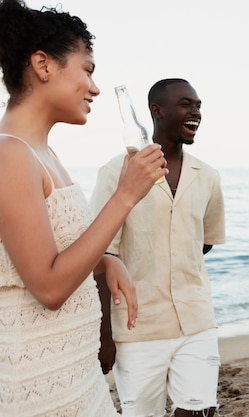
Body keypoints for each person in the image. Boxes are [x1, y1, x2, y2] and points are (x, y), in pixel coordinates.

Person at [0, 0, 167, 416]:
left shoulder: (43, 153)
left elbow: (49, 254)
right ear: (43, 65)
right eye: (87, 69)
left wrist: (106, 262)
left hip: (78, 374)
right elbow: (49, 287)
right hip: (39, 383)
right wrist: (125, 195)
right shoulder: (9, 155)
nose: (94, 87)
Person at [91, 78, 225, 417]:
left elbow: (203, 243)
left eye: (198, 106)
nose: (195, 112)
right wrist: (104, 334)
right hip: (138, 329)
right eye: (186, 104)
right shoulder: (115, 172)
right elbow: (101, 258)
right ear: (157, 111)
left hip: (196, 320)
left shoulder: (207, 176)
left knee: (199, 411)